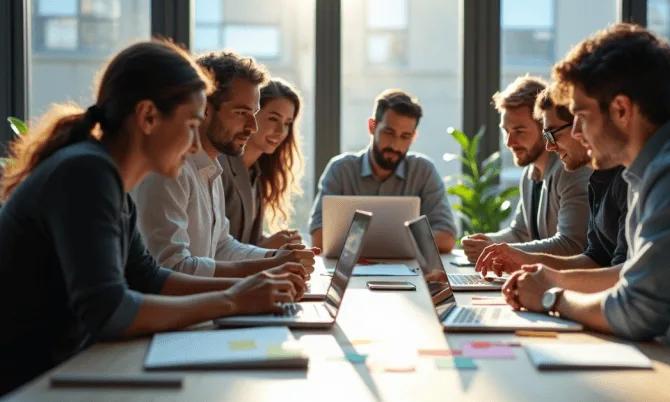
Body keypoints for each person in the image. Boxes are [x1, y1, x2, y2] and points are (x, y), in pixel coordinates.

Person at [477, 23, 670, 402]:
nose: (576, 131)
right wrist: (549, 276)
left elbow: (637, 310)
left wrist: (551, 297)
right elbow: (630, 277)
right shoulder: (654, 171)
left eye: (580, 114)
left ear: (621, 109)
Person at [0, 40, 307, 396]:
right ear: (147, 117)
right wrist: (234, 300)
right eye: (192, 125)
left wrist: (246, 291)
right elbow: (110, 310)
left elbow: (149, 277)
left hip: (62, 372)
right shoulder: (85, 173)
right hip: (25, 389)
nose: (195, 145)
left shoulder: (107, 177)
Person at [132, 51, 317, 278]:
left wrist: (274, 258)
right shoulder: (169, 172)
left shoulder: (211, 169)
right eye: (241, 113)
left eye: (254, 114)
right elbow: (172, 268)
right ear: (205, 109)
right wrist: (267, 267)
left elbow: (221, 247)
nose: (252, 126)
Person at [477, 85, 628, 286]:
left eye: (582, 121)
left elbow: (624, 279)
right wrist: (515, 257)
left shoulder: (584, 173)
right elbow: (596, 259)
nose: (509, 142)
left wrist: (552, 296)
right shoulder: (599, 178)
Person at [309, 89, 457, 253]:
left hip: (409, 274)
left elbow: (447, 236)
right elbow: (318, 237)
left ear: (413, 137)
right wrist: (403, 243)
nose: (395, 145)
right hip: (350, 271)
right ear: (372, 126)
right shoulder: (340, 169)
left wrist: (384, 243)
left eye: (405, 136)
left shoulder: (423, 171)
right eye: (389, 132)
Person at [461, 76, 591, 262]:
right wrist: (486, 242)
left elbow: (571, 245)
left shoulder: (571, 169)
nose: (509, 142)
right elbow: (520, 233)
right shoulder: (531, 173)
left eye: (519, 131)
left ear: (544, 127)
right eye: (505, 131)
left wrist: (498, 250)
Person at [220, 78, 304, 249]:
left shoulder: (256, 173)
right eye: (273, 119)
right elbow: (218, 247)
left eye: (287, 124)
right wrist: (266, 247)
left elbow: (246, 240)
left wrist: (278, 242)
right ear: (252, 115)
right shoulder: (220, 167)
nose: (281, 132)